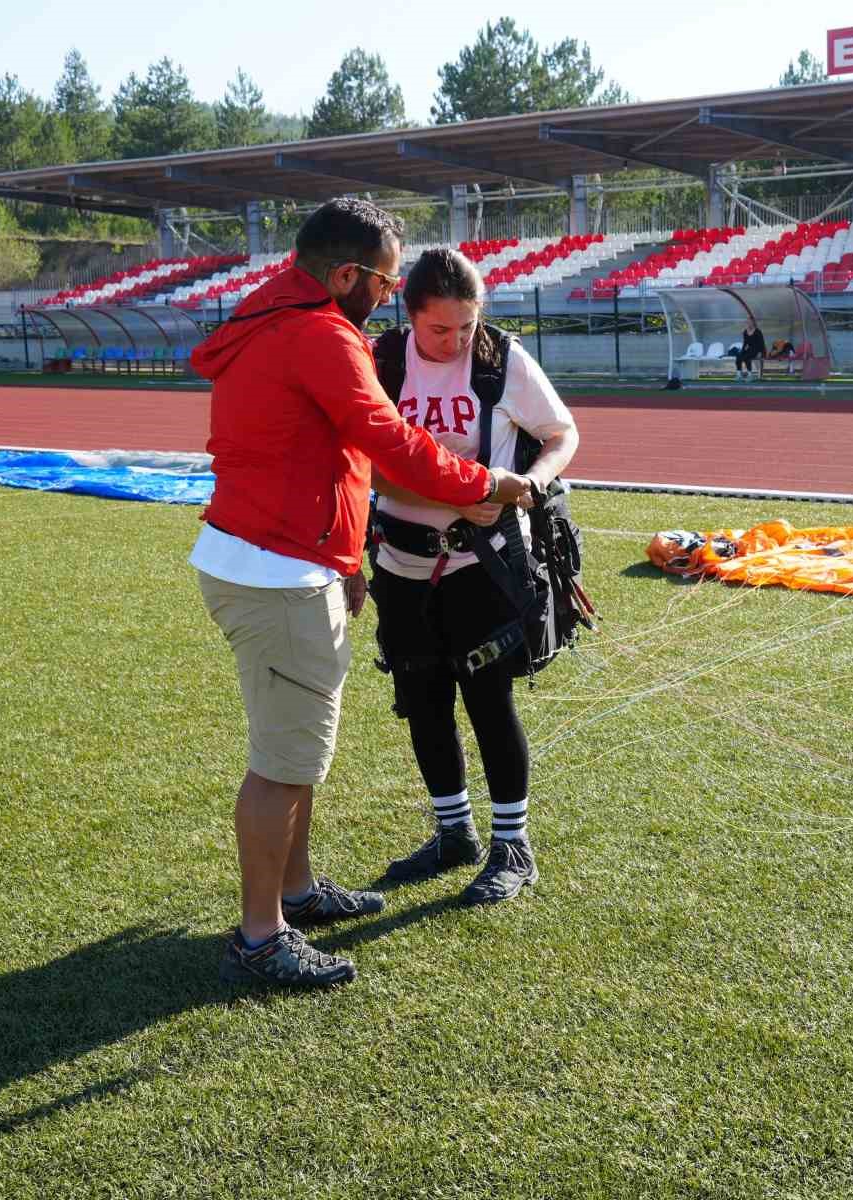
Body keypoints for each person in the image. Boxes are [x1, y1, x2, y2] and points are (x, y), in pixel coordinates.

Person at [191, 200, 532, 990]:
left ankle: (297, 894)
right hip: (277, 569)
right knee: (282, 762)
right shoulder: (320, 334)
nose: (388, 295)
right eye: (383, 281)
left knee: (298, 752)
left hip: (276, 555)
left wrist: (346, 557)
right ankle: (259, 934)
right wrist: (486, 482)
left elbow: (316, 450)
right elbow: (391, 442)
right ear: (345, 275)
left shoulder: (269, 312)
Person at [366, 247, 579, 906]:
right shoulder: (382, 363)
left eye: (468, 324)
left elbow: (560, 433)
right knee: (422, 699)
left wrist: (533, 486)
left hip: (482, 565)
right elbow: (360, 461)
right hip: (401, 564)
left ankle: (511, 844)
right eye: (441, 329)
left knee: (490, 702)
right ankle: (452, 832)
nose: (458, 340)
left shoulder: (501, 360)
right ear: (409, 313)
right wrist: (452, 496)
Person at [734, 315, 766, 381]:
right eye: (747, 322)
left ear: (753, 322)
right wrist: (742, 351)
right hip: (749, 349)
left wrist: (760, 352)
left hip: (757, 350)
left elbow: (761, 343)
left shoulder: (758, 331)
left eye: (750, 321)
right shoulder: (745, 332)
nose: (749, 323)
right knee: (738, 357)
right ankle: (739, 375)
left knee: (746, 358)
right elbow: (745, 343)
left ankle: (750, 375)